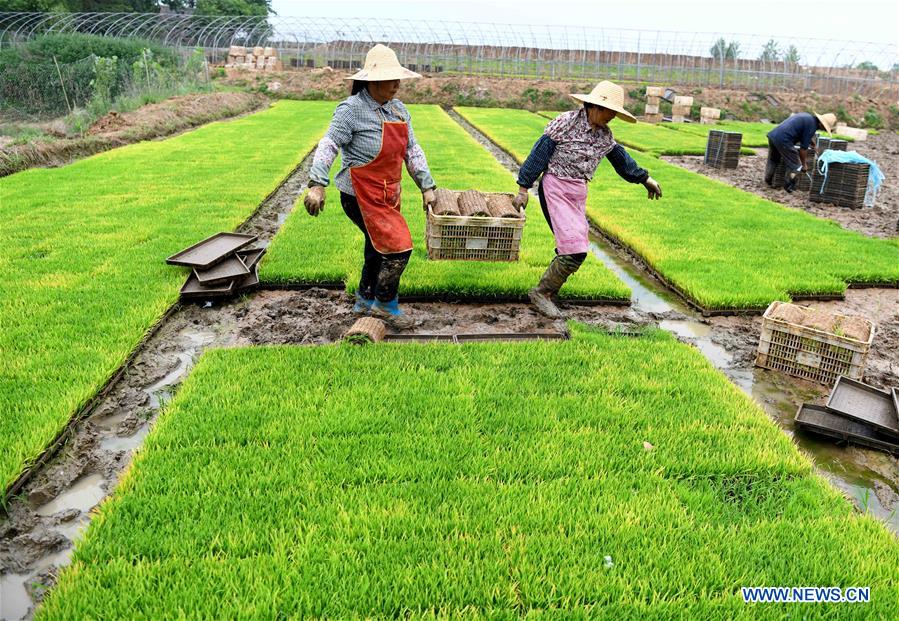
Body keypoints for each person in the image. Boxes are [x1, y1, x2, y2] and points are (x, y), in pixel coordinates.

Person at [304, 44, 437, 327]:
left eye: (398, 77)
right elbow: (329, 144)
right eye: (391, 78)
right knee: (398, 248)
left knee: (376, 248)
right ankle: (385, 305)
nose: (397, 84)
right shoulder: (351, 110)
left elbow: (412, 149)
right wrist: (317, 184)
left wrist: (427, 186)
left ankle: (365, 299)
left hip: (389, 193)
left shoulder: (399, 110)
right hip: (359, 195)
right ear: (372, 80)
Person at [512, 80, 663, 319]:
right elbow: (539, 154)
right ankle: (542, 293)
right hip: (556, 188)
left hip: (578, 193)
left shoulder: (604, 135)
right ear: (594, 106)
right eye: (611, 111)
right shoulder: (565, 123)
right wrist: (523, 189)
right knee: (574, 248)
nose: (612, 116)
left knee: (577, 248)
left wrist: (645, 179)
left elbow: (622, 161)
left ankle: (546, 291)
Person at [764, 111, 837, 192]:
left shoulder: (808, 118)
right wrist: (804, 164)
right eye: (825, 128)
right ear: (821, 124)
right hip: (784, 140)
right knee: (796, 166)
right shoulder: (812, 126)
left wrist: (812, 143)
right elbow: (803, 149)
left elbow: (802, 131)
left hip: (773, 135)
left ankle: (768, 180)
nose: (824, 130)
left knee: (774, 160)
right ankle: (788, 188)